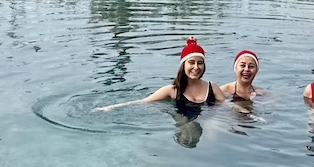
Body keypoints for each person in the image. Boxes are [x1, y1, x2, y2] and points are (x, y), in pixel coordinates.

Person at [95, 37, 226, 112]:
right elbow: (143, 101)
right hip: (183, 118)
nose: (196, 67)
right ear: (183, 65)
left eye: (200, 63)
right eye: (191, 62)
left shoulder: (212, 87)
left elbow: (227, 106)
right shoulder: (173, 90)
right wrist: (111, 107)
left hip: (208, 119)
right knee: (189, 131)